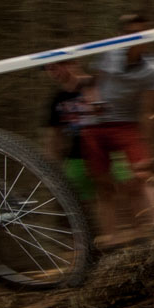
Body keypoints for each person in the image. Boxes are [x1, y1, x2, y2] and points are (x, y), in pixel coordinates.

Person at [81, 13, 154, 241]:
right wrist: (93, 102)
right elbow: (90, 83)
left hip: (127, 125)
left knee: (144, 173)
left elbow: (148, 110)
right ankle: (111, 238)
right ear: (120, 35)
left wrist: (147, 145)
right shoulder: (106, 54)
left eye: (141, 34)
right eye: (130, 34)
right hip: (95, 125)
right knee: (104, 185)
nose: (136, 39)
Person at [42, 60, 96, 202]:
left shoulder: (95, 85)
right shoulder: (58, 99)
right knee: (82, 201)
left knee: (119, 193)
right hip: (76, 158)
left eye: (55, 68)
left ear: (70, 64)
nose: (52, 73)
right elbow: (55, 135)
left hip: (104, 151)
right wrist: (50, 167)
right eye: (49, 70)